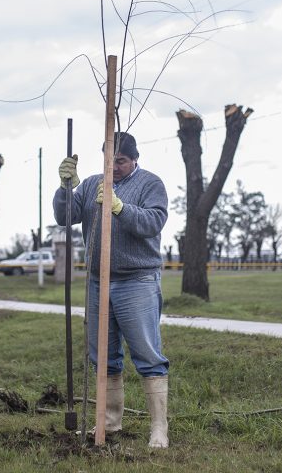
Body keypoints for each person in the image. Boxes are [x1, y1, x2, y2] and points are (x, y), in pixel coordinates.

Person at [54, 131, 170, 448]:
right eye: (109, 160)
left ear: (134, 159)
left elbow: (153, 222)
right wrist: (66, 188)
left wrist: (120, 207)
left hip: (137, 281)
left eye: (120, 161)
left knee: (147, 353)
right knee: (102, 356)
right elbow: (65, 217)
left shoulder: (150, 184)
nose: (114, 166)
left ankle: (159, 428)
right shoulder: (92, 184)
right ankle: (108, 423)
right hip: (97, 281)